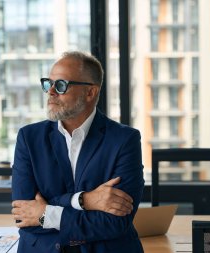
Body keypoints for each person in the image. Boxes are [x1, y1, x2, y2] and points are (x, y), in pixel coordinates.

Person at [11, 51, 145, 253]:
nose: (51, 92)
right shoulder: (29, 139)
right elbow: (24, 214)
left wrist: (46, 213)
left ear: (90, 92)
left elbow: (116, 223)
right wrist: (86, 200)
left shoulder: (125, 140)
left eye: (61, 85)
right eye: (49, 83)